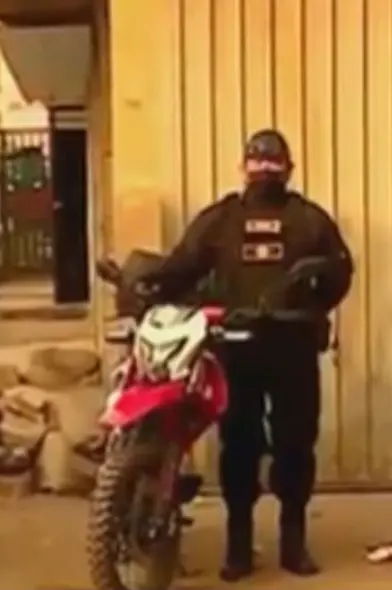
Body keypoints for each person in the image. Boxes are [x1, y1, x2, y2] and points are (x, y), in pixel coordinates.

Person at [137, 129, 353, 581]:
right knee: (240, 447)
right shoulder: (222, 220)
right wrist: (146, 287)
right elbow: (181, 267)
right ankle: (238, 545)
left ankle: (293, 541)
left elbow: (339, 272)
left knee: (295, 446)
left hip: (292, 347)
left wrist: (313, 298)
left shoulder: (309, 220)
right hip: (236, 350)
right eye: (259, 164)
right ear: (244, 169)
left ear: (288, 170)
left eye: (271, 164)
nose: (264, 172)